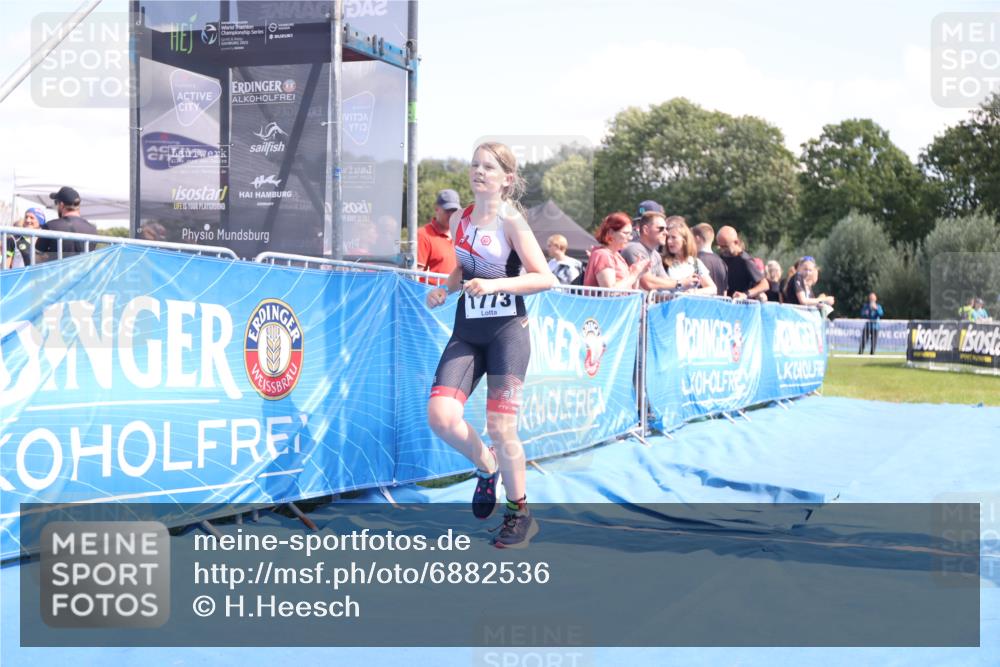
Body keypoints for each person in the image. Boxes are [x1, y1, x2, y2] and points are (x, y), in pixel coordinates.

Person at [424, 142, 555, 549]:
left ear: (507, 179)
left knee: (501, 426)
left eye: (489, 167)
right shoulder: (461, 218)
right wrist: (444, 289)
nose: (478, 172)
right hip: (468, 330)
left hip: (506, 334)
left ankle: (520, 513)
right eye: (474, 165)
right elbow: (465, 264)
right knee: (441, 417)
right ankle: (486, 467)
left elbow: (544, 278)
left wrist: (495, 284)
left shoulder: (512, 220)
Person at [582, 212, 649, 289]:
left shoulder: (617, 256)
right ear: (611, 233)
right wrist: (633, 274)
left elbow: (631, 289)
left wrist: (637, 274)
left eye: (630, 234)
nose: (630, 238)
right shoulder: (603, 255)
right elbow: (610, 291)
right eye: (625, 233)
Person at [620, 211, 679, 291]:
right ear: (646, 230)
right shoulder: (635, 249)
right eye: (661, 229)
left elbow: (667, 283)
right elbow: (648, 283)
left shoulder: (656, 255)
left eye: (666, 229)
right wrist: (680, 283)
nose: (666, 233)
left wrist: (689, 290)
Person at [661, 217, 716, 296]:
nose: (669, 241)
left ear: (685, 240)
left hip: (689, 307)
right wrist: (682, 283)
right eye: (668, 238)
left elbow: (713, 288)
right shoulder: (663, 262)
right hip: (668, 306)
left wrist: (694, 292)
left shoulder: (695, 263)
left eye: (673, 237)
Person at [36, 186, 97, 256]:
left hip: (57, 267)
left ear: (61, 205)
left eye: (56, 203)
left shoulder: (50, 226)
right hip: (84, 267)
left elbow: (38, 256)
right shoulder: (92, 229)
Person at [417, 189, 461, 284]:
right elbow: (415, 275)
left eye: (454, 210)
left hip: (456, 297)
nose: (451, 215)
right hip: (431, 296)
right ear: (436, 208)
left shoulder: (463, 235)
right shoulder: (423, 235)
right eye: (447, 210)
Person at [716, 226, 768, 300]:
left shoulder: (745, 261)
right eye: (720, 246)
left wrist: (745, 294)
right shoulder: (721, 258)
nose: (722, 250)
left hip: (741, 306)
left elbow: (764, 284)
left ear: (736, 242)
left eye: (725, 247)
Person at [691, 223, 728, 296]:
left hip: (701, 305)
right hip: (719, 305)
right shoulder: (722, 262)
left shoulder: (695, 261)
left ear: (697, 239)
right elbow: (724, 292)